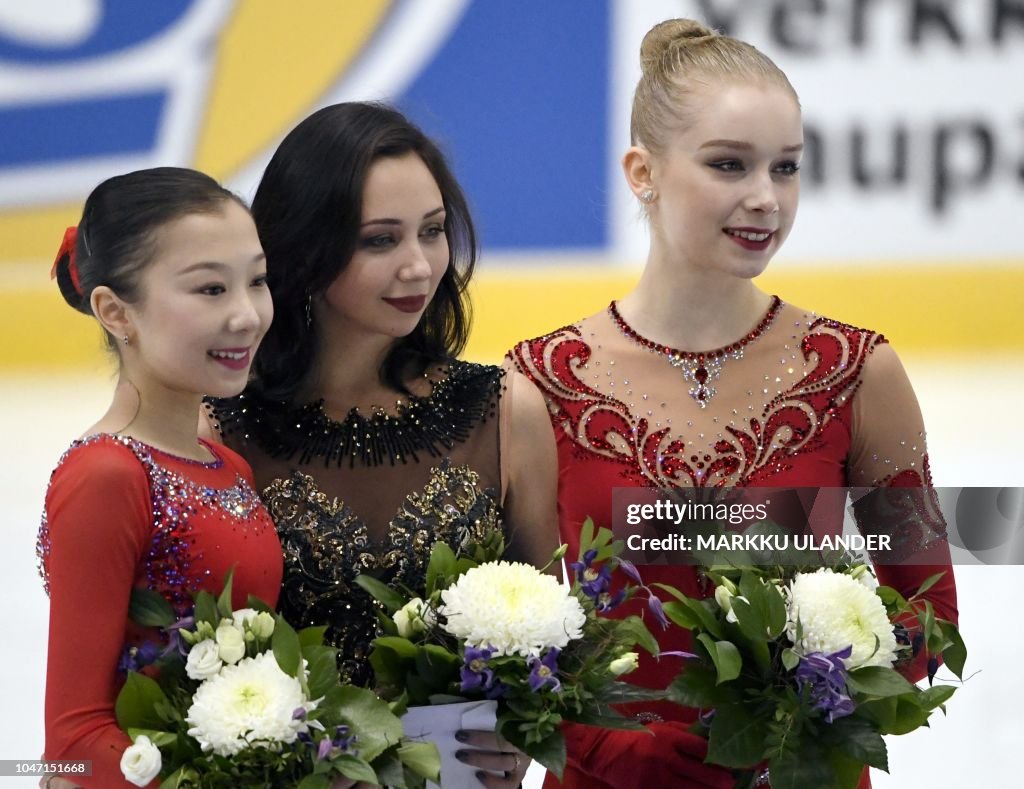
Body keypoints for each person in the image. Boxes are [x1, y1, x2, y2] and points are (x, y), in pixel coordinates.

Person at [508, 19, 958, 789]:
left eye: (786, 168)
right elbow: (513, 634)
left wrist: (804, 700)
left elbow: (930, 619)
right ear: (642, 171)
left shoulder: (857, 371)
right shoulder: (541, 382)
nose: (765, 198)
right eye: (728, 165)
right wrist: (607, 745)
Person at [205, 102, 558, 788]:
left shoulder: (506, 411)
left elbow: (550, 637)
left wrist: (524, 723)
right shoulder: (220, 431)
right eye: (379, 240)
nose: (419, 266)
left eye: (431, 232)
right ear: (304, 249)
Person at [36, 168, 284, 787]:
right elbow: (72, 740)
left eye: (256, 281)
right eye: (209, 290)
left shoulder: (227, 465)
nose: (247, 315)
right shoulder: (108, 476)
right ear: (115, 311)